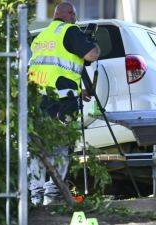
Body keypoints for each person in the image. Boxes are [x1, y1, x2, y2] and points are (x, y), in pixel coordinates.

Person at [27, 2, 100, 206]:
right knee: (61, 148)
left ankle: (35, 194)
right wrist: (94, 45)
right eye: (74, 15)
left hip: (38, 100)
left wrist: (81, 90)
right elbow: (90, 55)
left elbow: (53, 69)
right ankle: (53, 194)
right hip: (62, 102)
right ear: (69, 14)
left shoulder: (41, 37)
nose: (75, 19)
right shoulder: (70, 30)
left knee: (37, 148)